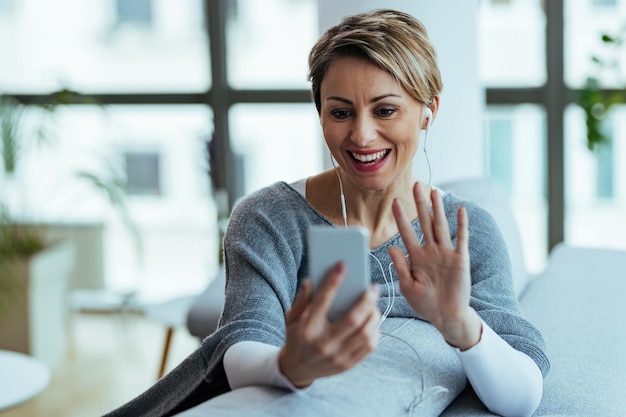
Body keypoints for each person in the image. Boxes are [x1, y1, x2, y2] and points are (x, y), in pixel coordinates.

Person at [104, 8, 549, 417]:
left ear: (428, 111)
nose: (362, 135)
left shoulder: (463, 232)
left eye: (386, 110)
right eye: (340, 112)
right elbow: (241, 346)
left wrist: (458, 322)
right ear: (320, 114)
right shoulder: (268, 218)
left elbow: (522, 397)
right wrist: (289, 364)